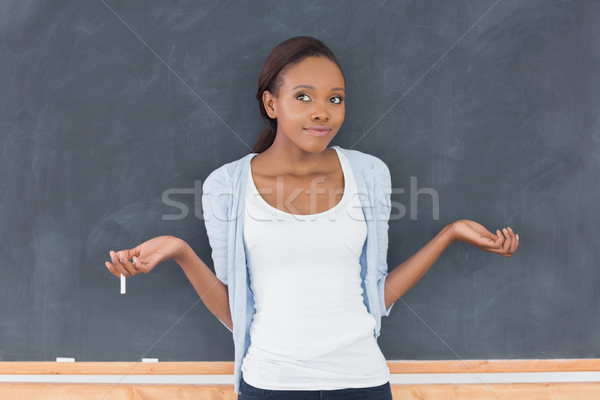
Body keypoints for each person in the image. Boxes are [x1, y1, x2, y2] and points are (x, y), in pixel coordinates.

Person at [104, 36, 519, 399]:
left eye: (334, 99)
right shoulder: (226, 185)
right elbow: (237, 312)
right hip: (270, 385)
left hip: (363, 383)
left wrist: (449, 234)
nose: (322, 112)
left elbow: (375, 296)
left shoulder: (369, 173)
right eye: (303, 96)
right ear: (271, 103)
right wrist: (179, 251)